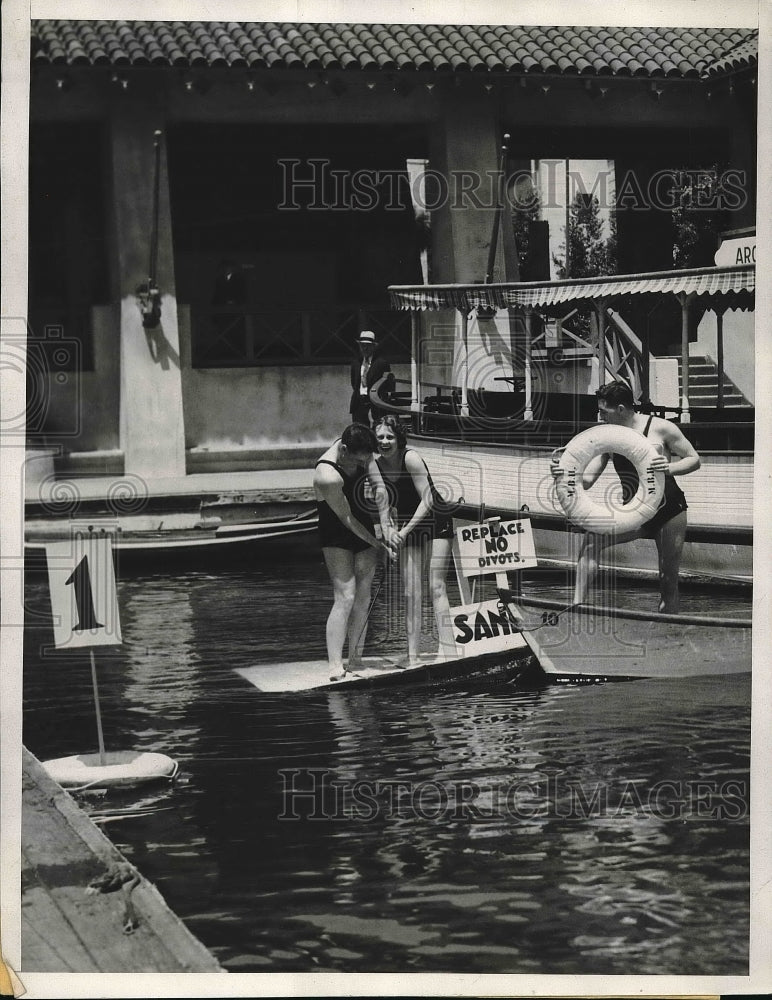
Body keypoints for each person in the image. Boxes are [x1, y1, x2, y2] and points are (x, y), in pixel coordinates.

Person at [551, 381, 700, 613]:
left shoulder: (661, 428)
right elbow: (587, 481)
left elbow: (694, 459)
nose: (600, 417)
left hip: (668, 509)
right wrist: (562, 475)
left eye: (604, 412)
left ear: (620, 409)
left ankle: (669, 630)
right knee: (591, 542)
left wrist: (670, 468)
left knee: (668, 577)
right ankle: (577, 609)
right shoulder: (608, 438)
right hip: (634, 511)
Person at [314, 423, 400, 681]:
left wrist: (385, 526)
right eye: (356, 461)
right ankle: (334, 664)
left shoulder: (362, 451)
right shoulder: (326, 474)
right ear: (343, 449)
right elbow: (346, 518)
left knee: (363, 595)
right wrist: (378, 545)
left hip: (363, 523)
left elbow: (380, 488)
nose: (361, 464)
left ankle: (356, 657)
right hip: (337, 529)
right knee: (345, 596)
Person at [374, 415, 457, 665]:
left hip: (434, 519)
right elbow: (384, 506)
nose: (385, 442)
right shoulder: (376, 466)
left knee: (436, 587)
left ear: (399, 438)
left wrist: (404, 531)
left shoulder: (410, 458)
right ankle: (413, 656)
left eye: (390, 437)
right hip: (408, 526)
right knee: (411, 592)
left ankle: (451, 655)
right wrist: (389, 537)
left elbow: (428, 499)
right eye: (380, 437)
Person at [349, 330, 391, 426]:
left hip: (376, 403)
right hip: (359, 403)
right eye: (362, 345)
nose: (365, 348)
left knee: (377, 430)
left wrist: (377, 398)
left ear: (373, 347)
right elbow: (354, 383)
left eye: (368, 345)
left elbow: (387, 385)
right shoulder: (356, 363)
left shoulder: (381, 363)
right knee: (360, 431)